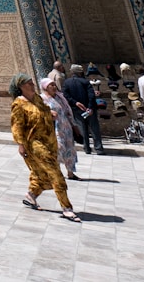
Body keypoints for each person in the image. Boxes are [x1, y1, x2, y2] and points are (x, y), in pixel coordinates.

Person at [9, 73, 80, 222]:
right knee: (55, 173)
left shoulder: (37, 99)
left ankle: (31, 195)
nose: (32, 85)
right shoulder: (18, 104)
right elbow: (17, 126)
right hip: (34, 144)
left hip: (49, 141)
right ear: (21, 87)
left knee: (42, 175)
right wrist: (21, 145)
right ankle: (67, 208)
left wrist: (50, 114)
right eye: (29, 83)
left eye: (32, 83)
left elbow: (45, 112)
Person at [40, 77, 79, 180]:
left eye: (54, 85)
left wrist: (74, 126)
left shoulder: (60, 97)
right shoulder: (42, 99)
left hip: (66, 127)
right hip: (54, 128)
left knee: (69, 149)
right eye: (51, 85)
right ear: (45, 87)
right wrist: (49, 113)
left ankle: (70, 173)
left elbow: (68, 111)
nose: (53, 87)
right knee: (58, 149)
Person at [62, 63, 105, 155]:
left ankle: (86, 148)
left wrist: (75, 103)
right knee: (94, 128)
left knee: (82, 128)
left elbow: (66, 95)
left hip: (76, 109)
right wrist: (90, 107)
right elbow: (91, 95)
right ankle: (99, 148)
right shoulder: (85, 82)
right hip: (89, 110)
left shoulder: (67, 83)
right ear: (80, 72)